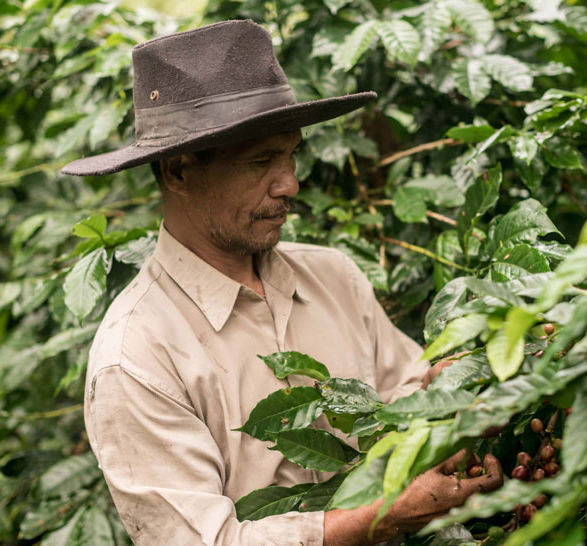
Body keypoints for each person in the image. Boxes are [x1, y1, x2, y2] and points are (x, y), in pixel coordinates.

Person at [61, 20, 502, 546]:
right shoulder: (137, 356)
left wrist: (457, 401)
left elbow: (403, 402)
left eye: (291, 153)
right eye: (261, 160)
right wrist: (382, 517)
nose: (290, 182)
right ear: (179, 172)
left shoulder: (333, 276)